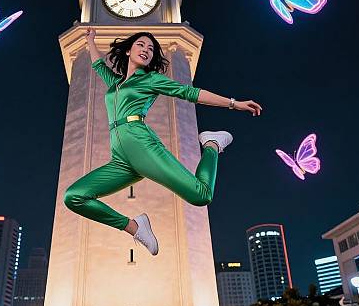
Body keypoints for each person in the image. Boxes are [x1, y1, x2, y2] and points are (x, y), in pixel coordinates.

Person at [64, 28, 262, 255]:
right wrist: (90, 40)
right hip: (120, 158)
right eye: (141, 45)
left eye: (151, 49)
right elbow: (99, 65)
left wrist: (233, 103)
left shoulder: (151, 79)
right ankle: (134, 227)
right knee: (74, 197)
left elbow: (190, 92)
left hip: (142, 144)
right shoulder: (116, 85)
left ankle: (211, 145)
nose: (146, 50)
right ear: (128, 50)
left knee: (201, 196)